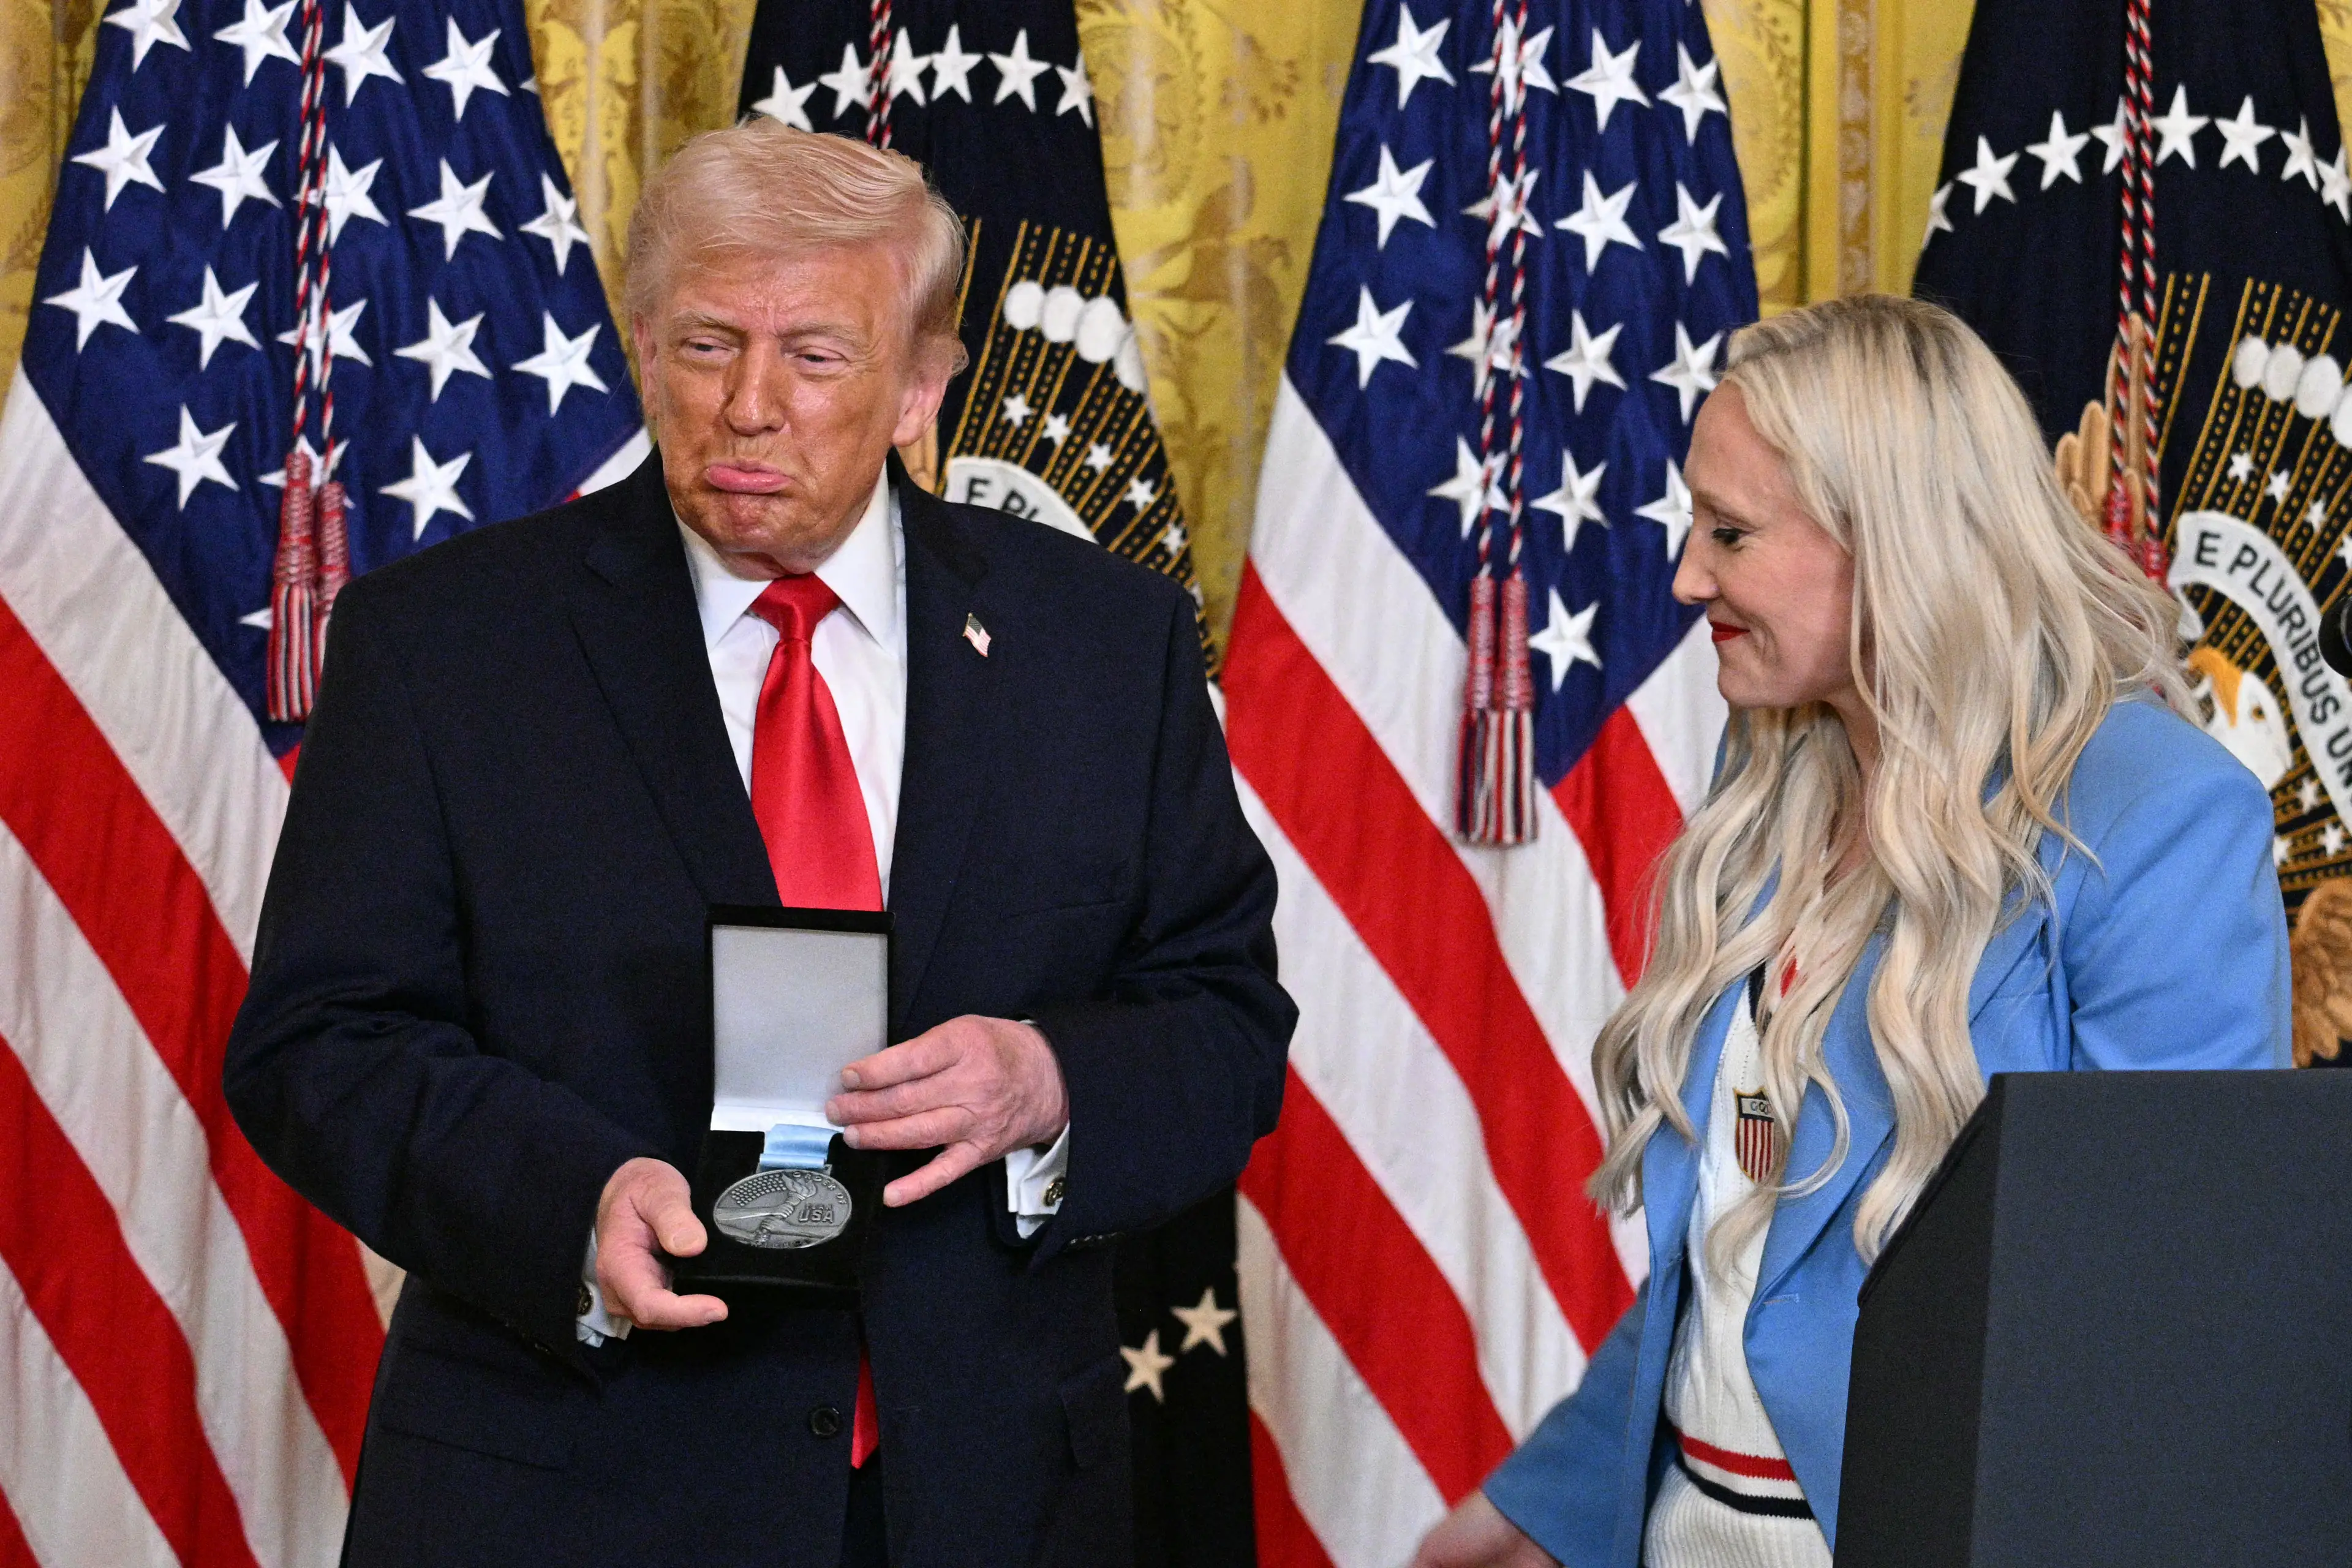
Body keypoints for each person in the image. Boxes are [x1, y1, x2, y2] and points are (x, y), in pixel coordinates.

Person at [224, 119, 1294, 1568]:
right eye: (709, 344)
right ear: (648, 344)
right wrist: (571, 1199)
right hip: (565, 1489)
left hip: (983, 1499)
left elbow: (1224, 1018)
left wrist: (1047, 1082)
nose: (749, 406)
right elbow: (317, 1039)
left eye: (815, 355)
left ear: (922, 386)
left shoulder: (1106, 644)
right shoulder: (445, 645)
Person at [1411, 294, 2290, 1568]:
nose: (1686, 576)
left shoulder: (2157, 818)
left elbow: (2164, 1323)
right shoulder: (1769, 774)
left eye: (1732, 532)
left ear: (1892, 542)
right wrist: (1544, 1503)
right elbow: (1733, 1254)